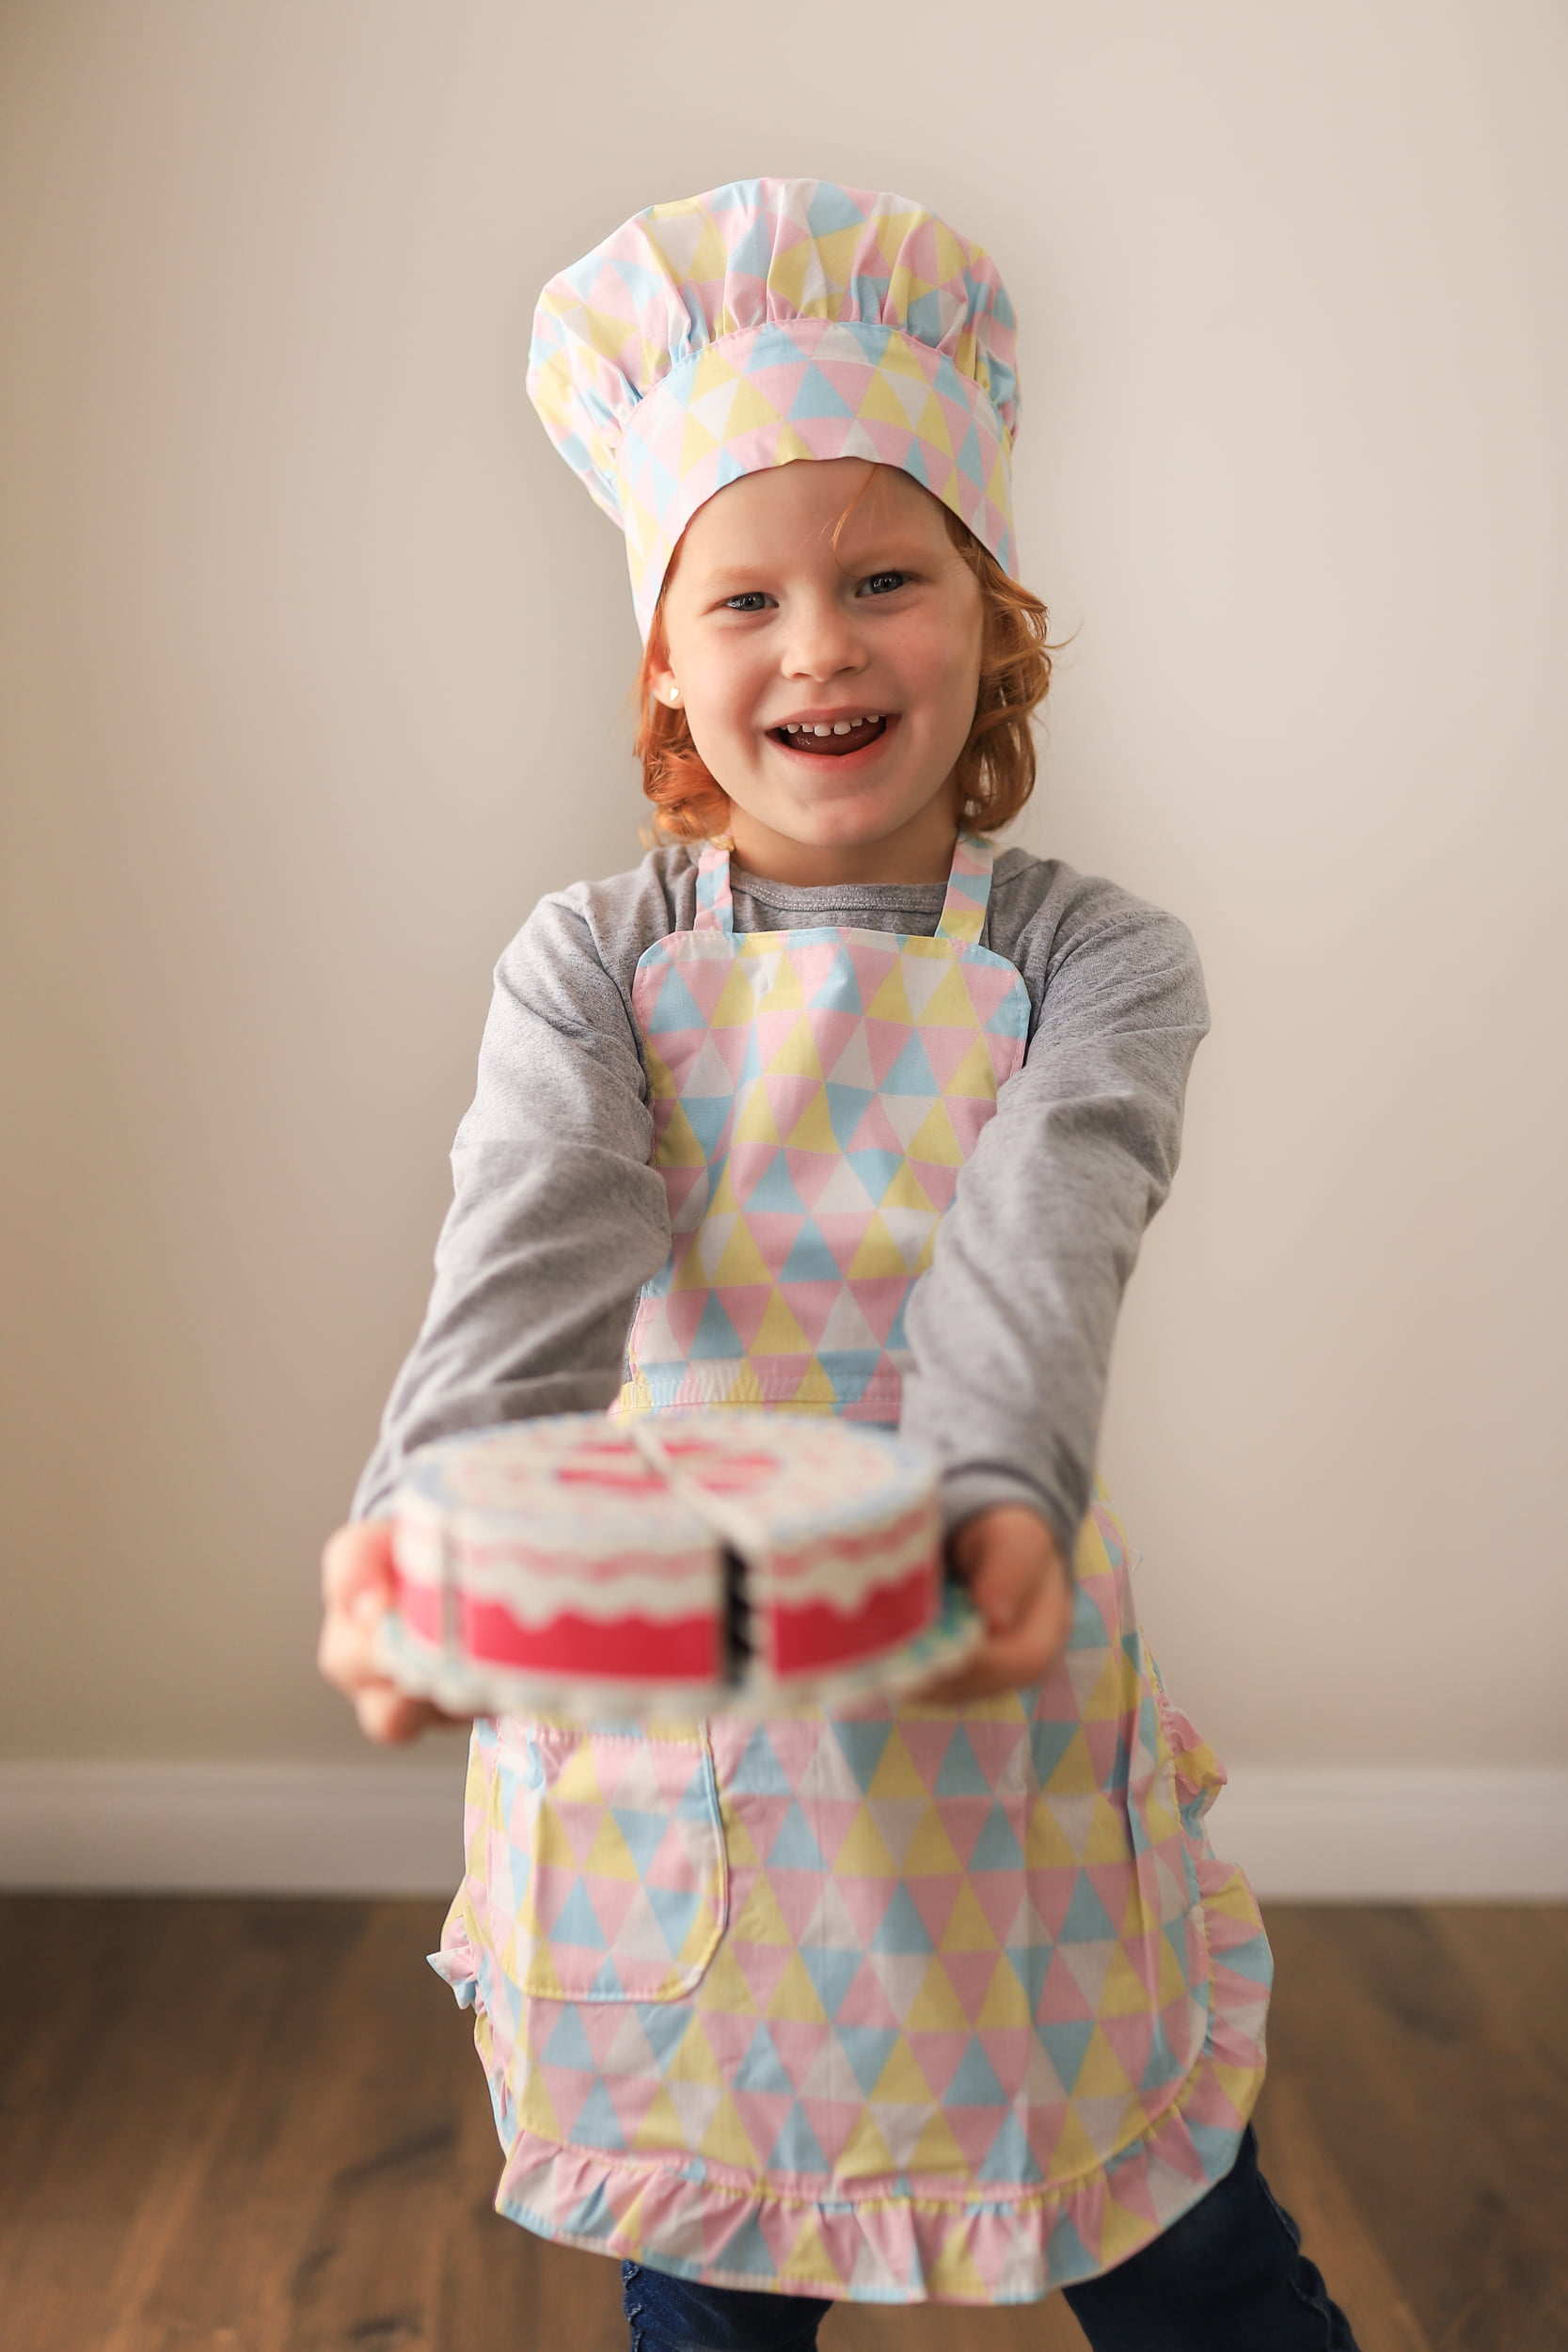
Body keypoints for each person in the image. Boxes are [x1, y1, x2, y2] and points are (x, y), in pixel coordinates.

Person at [319, 180, 1358, 2351]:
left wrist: (985, 1507)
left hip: (995, 1650)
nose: (819, 646)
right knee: (713, 2263)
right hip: (689, 1718)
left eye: (886, 577)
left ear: (990, 619)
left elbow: (1037, 1240)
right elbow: (533, 1240)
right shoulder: (592, 962)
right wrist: (428, 1530)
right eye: (746, 599)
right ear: (667, 665)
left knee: (1177, 2246)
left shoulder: (1096, 961)